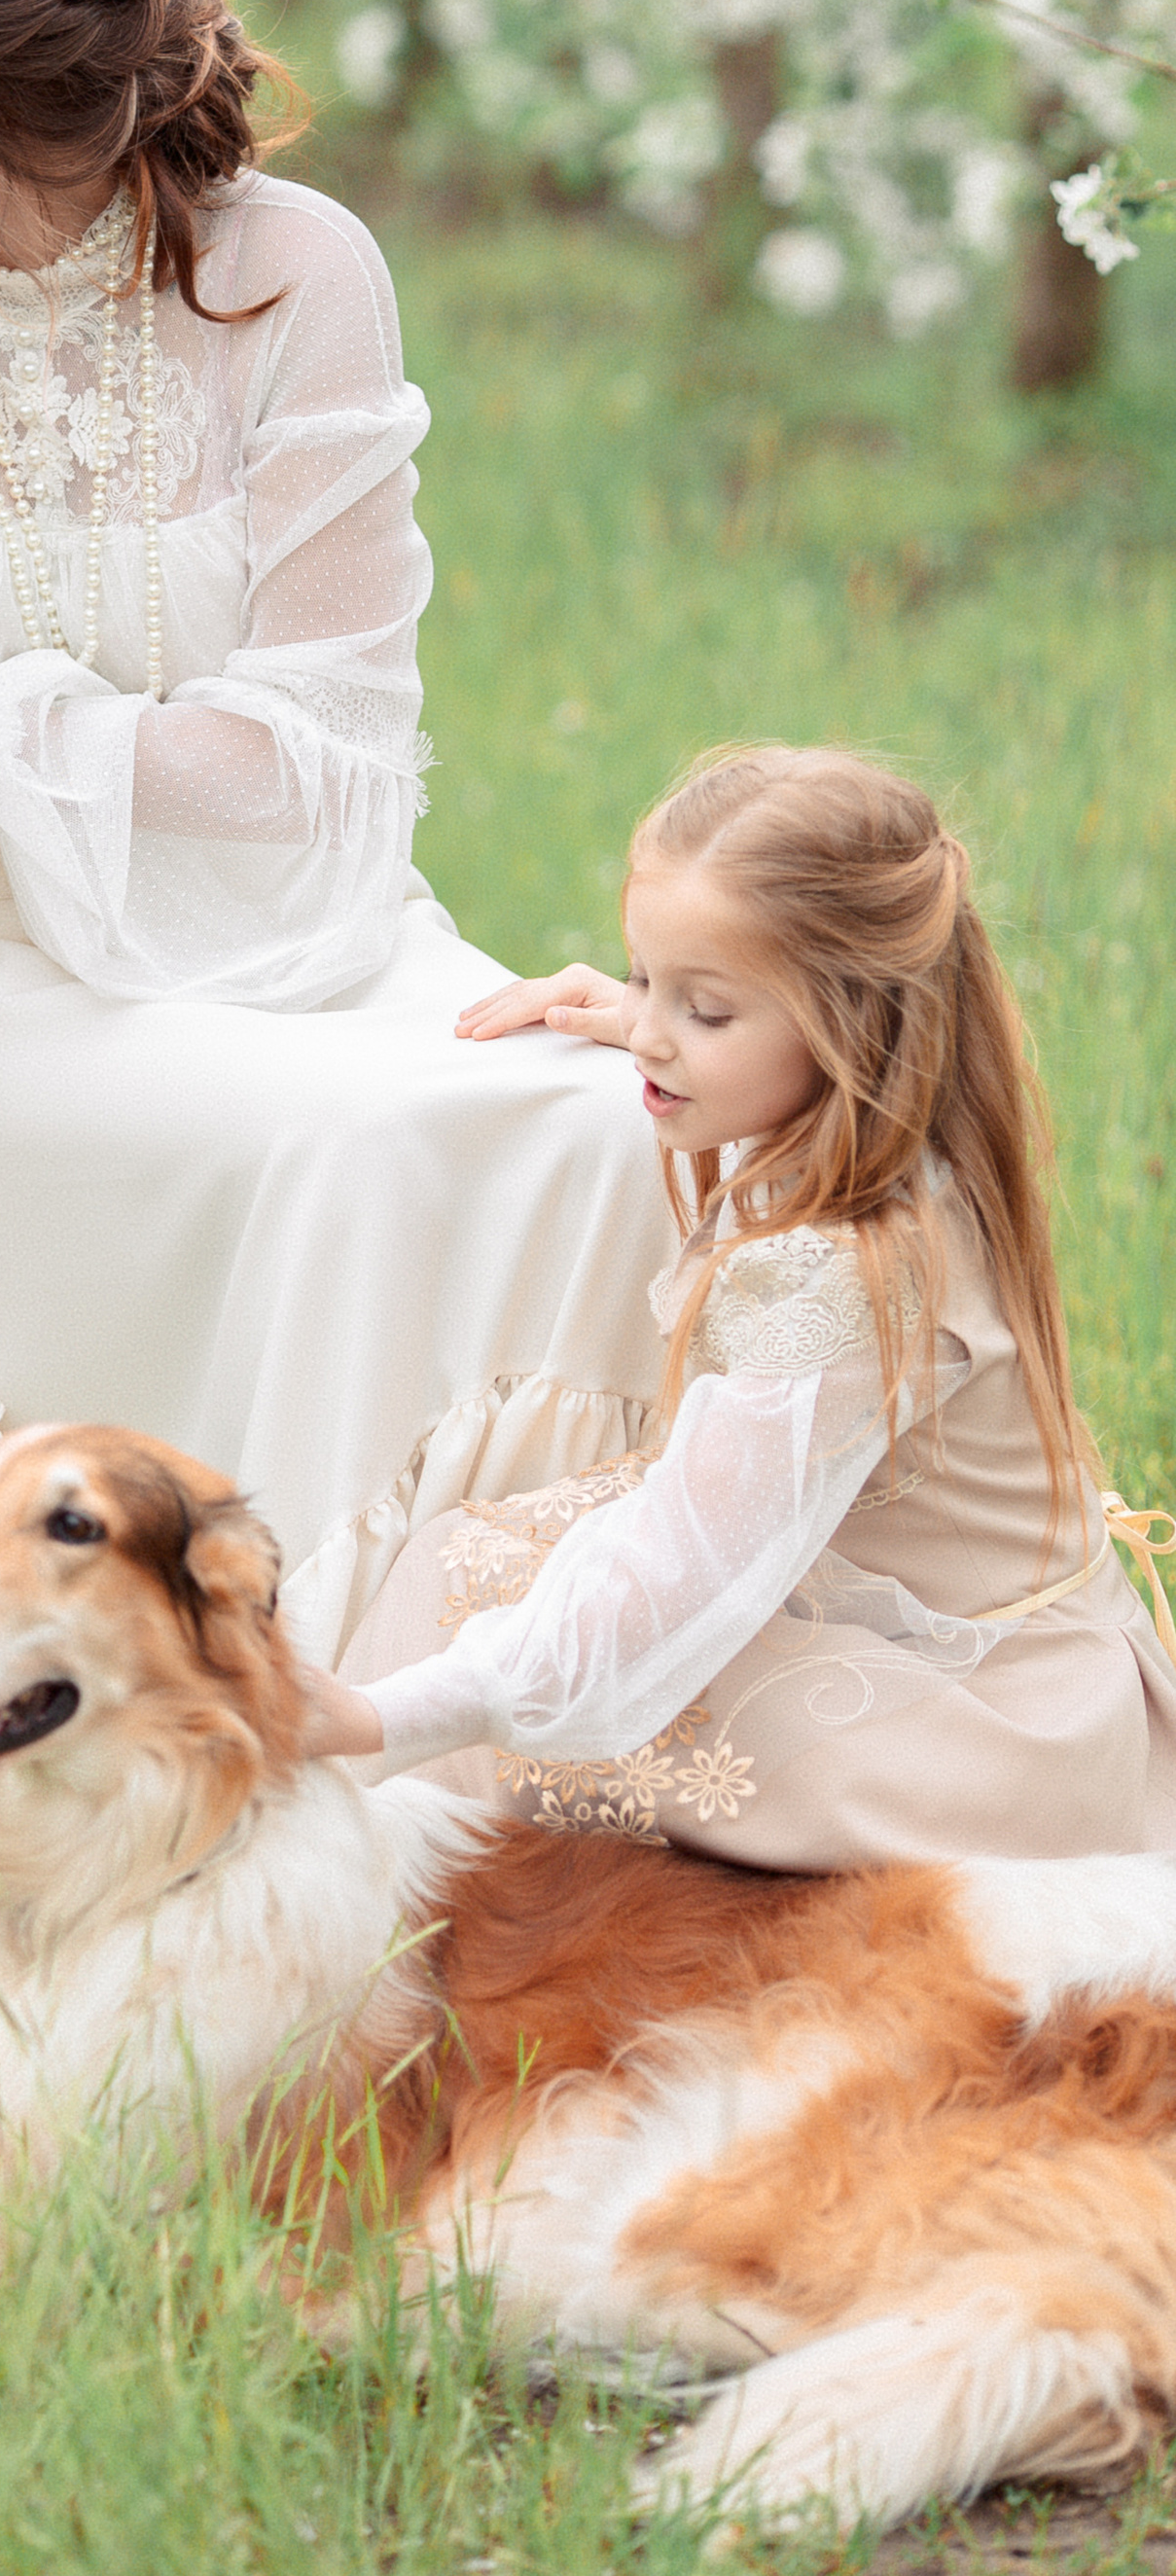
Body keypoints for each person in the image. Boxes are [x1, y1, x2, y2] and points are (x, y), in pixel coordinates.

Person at [0, 0, 680, 1653]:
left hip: (297, 933)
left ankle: (525, 1712)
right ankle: (275, 1697)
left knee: (591, 1125)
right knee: (337, 1144)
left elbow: (313, 756)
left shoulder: (290, 272)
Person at [324, 744, 1176, 1864]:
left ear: (849, 1027)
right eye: (641, 978)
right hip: (1017, 1667)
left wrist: (384, 1719)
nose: (650, 1032)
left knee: (482, 1632)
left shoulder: (849, 1272)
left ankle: (401, 1896)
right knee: (471, 1568)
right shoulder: (896, 1138)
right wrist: (659, 1020)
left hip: (1003, 1745)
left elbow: (681, 1574)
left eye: (708, 1010)